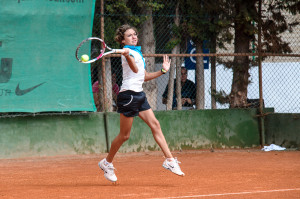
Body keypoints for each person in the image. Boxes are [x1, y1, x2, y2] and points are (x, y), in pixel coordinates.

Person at [98, 24, 185, 183]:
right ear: (123, 40)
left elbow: (143, 76)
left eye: (135, 34)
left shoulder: (137, 53)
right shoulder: (129, 53)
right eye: (130, 35)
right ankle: (106, 162)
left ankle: (170, 160)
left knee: (155, 125)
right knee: (125, 135)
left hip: (139, 95)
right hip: (128, 96)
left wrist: (163, 71)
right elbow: (134, 69)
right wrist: (127, 55)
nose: (134, 36)